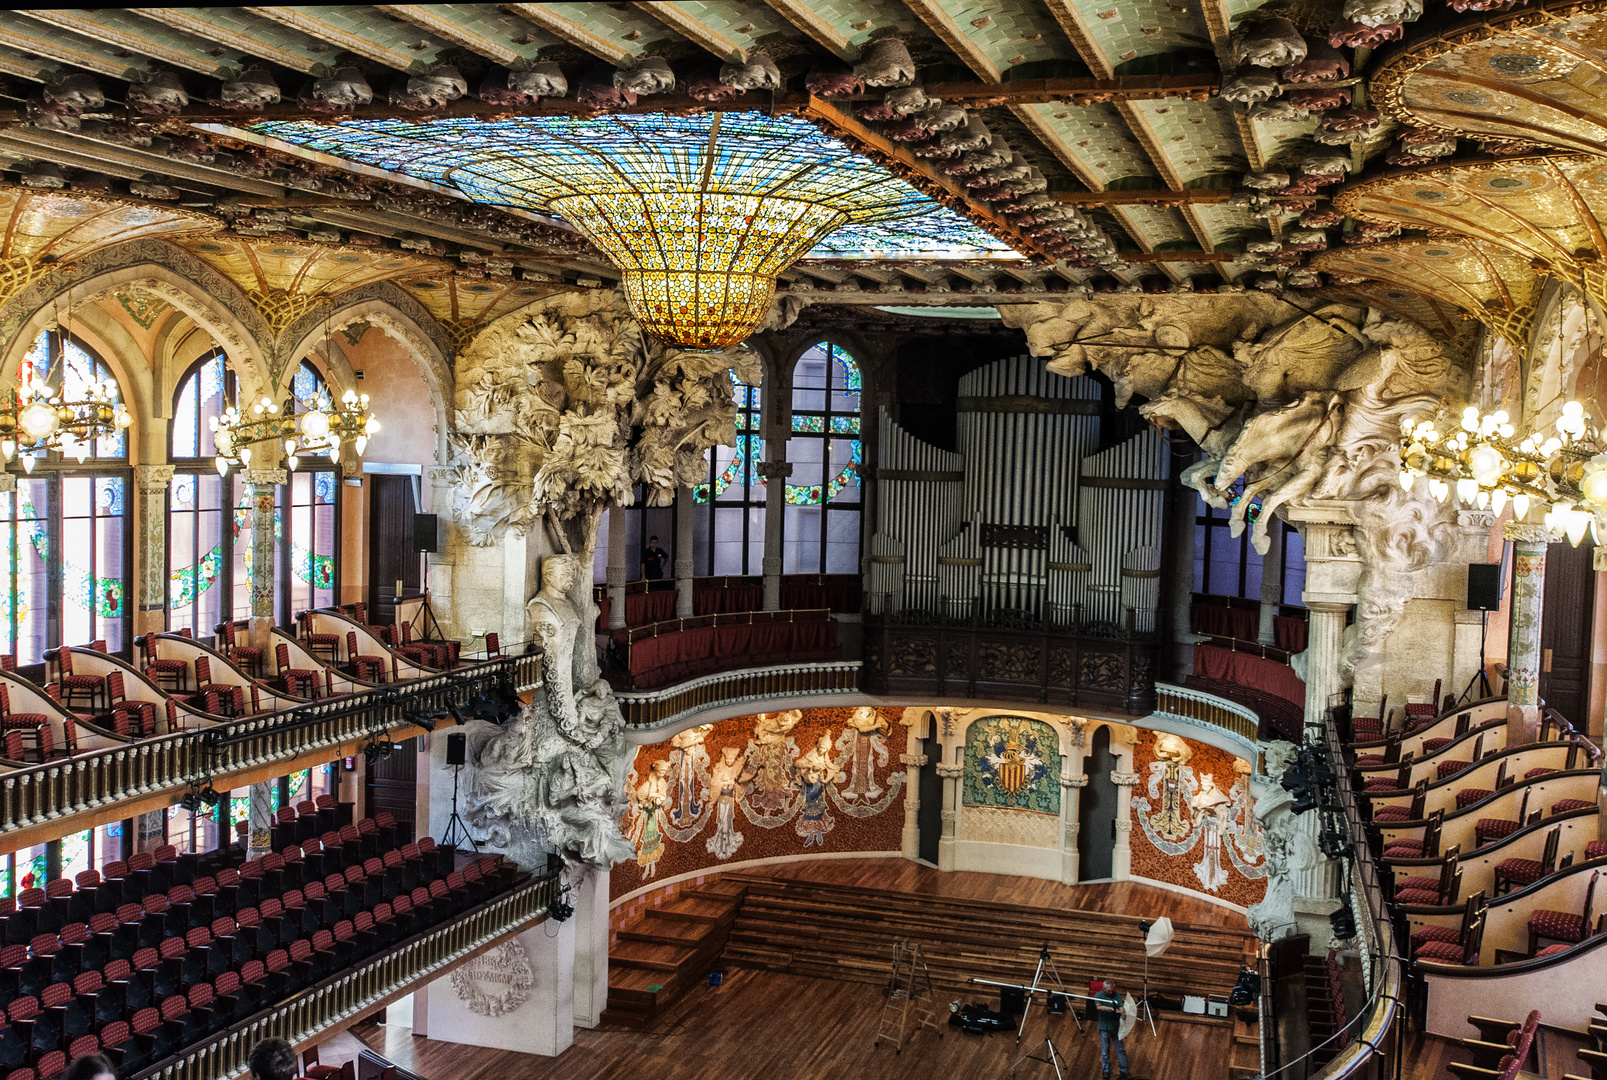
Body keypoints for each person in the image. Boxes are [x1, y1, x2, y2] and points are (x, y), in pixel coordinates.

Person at [1094, 977, 1131, 1080]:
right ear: (1103, 988)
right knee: (1105, 1051)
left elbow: (1120, 1005)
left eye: (1111, 990)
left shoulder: (1117, 995)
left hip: (1115, 1027)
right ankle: (1106, 1070)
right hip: (1104, 1027)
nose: (1110, 992)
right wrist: (1112, 1009)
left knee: (1120, 1049)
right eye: (1108, 990)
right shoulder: (1098, 995)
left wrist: (1122, 1012)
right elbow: (1099, 1007)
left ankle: (1125, 1070)